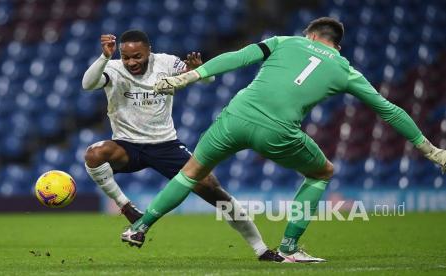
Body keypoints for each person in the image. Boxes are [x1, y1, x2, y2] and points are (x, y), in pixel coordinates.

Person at [124, 18, 446, 263]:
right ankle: (290, 248)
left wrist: (186, 78)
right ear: (335, 45)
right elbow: (389, 111)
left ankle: (140, 226)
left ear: (311, 35)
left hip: (235, 116)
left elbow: (238, 57)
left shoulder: (284, 41)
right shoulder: (346, 70)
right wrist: (431, 151)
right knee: (322, 172)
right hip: (277, 131)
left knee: (190, 172)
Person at [81, 30, 279, 261]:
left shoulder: (166, 62)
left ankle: (261, 249)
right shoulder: (113, 68)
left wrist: (198, 69)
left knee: (214, 190)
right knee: (94, 154)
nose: (131, 62)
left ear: (149, 51)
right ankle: (126, 207)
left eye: (137, 56)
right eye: (126, 57)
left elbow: (207, 79)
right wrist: (105, 57)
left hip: (165, 145)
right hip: (127, 144)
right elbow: (88, 84)